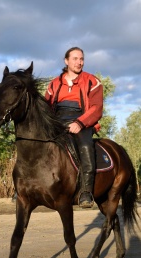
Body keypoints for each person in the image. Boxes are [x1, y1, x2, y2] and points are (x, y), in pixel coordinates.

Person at [44, 47, 103, 208]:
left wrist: (80, 123)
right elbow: (46, 107)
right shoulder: (54, 83)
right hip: (57, 120)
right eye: (75, 59)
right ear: (66, 61)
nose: (79, 62)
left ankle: (86, 191)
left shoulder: (92, 81)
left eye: (81, 59)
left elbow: (96, 108)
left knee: (85, 146)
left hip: (82, 120)